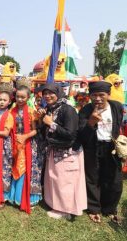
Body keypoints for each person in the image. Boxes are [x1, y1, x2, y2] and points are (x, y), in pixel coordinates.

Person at [38, 83, 87, 219]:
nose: (47, 96)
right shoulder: (50, 108)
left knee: (65, 181)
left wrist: (51, 123)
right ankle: (57, 205)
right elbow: (47, 130)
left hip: (67, 152)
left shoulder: (68, 110)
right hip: (56, 149)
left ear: (59, 93)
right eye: (45, 94)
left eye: (50, 93)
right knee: (56, 179)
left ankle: (65, 210)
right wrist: (42, 120)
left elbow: (71, 134)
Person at [78, 81, 124, 225]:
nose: (97, 98)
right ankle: (94, 209)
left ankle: (109, 208)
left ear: (108, 95)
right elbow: (81, 136)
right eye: (94, 95)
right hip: (92, 147)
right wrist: (91, 122)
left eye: (101, 95)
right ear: (90, 96)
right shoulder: (85, 111)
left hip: (112, 147)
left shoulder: (116, 106)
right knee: (92, 178)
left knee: (114, 179)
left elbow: (118, 125)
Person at [7, 85, 39, 213]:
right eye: (18, 97)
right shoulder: (12, 111)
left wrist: (25, 136)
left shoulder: (31, 111)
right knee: (14, 168)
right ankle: (14, 196)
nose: (20, 99)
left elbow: (35, 130)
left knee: (23, 169)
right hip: (13, 143)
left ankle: (23, 197)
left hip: (27, 145)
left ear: (28, 97)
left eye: (23, 97)